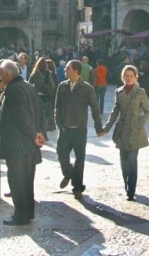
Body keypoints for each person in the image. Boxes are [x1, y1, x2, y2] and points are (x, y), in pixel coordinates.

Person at [0, 59, 45, 226]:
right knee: (27, 180)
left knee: (17, 180)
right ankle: (28, 212)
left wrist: (34, 134)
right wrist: (40, 133)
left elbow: (22, 116)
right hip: (29, 145)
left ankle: (21, 215)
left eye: (0, 74)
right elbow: (40, 110)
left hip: (18, 145)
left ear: (6, 74)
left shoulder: (14, 90)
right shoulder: (27, 86)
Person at [54, 60, 103, 199]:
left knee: (79, 159)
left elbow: (95, 108)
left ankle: (77, 187)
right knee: (61, 154)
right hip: (65, 129)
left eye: (67, 68)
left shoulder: (87, 88)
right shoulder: (62, 86)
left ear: (76, 70)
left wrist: (98, 127)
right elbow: (57, 107)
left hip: (80, 129)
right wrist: (59, 124)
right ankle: (68, 174)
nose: (65, 71)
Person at [100, 65, 149, 201]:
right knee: (123, 162)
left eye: (131, 76)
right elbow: (115, 112)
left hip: (135, 131)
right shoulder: (118, 92)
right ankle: (126, 183)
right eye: (126, 76)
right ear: (123, 78)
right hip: (122, 132)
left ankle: (131, 189)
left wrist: (139, 124)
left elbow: (147, 111)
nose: (128, 78)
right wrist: (106, 128)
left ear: (135, 77)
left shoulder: (140, 92)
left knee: (132, 161)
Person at [29, 57, 57, 139]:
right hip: (46, 97)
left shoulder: (34, 74)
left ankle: (37, 132)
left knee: (37, 115)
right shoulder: (48, 73)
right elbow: (53, 85)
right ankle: (44, 133)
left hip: (37, 97)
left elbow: (29, 84)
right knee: (46, 116)